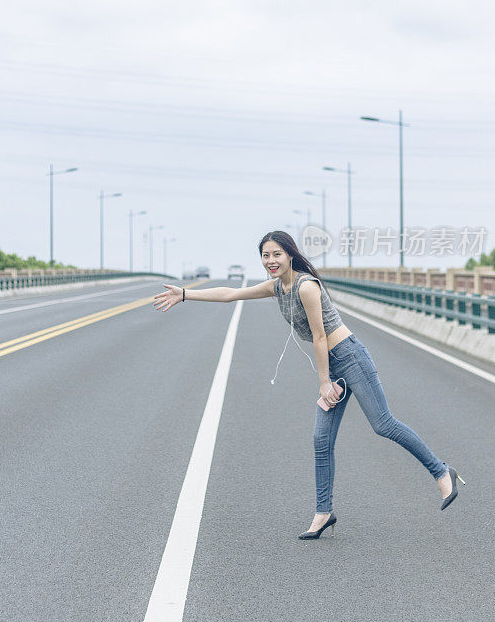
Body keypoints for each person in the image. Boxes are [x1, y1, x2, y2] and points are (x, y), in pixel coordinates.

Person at [152, 230, 464, 540]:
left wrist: (324, 382)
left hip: (350, 357)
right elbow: (230, 294)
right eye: (266, 255)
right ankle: (323, 512)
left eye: (277, 254)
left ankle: (440, 471)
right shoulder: (278, 287)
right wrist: (184, 294)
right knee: (321, 440)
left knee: (382, 424)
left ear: (289, 255)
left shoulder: (305, 287)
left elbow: (319, 336)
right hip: (333, 363)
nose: (271, 261)